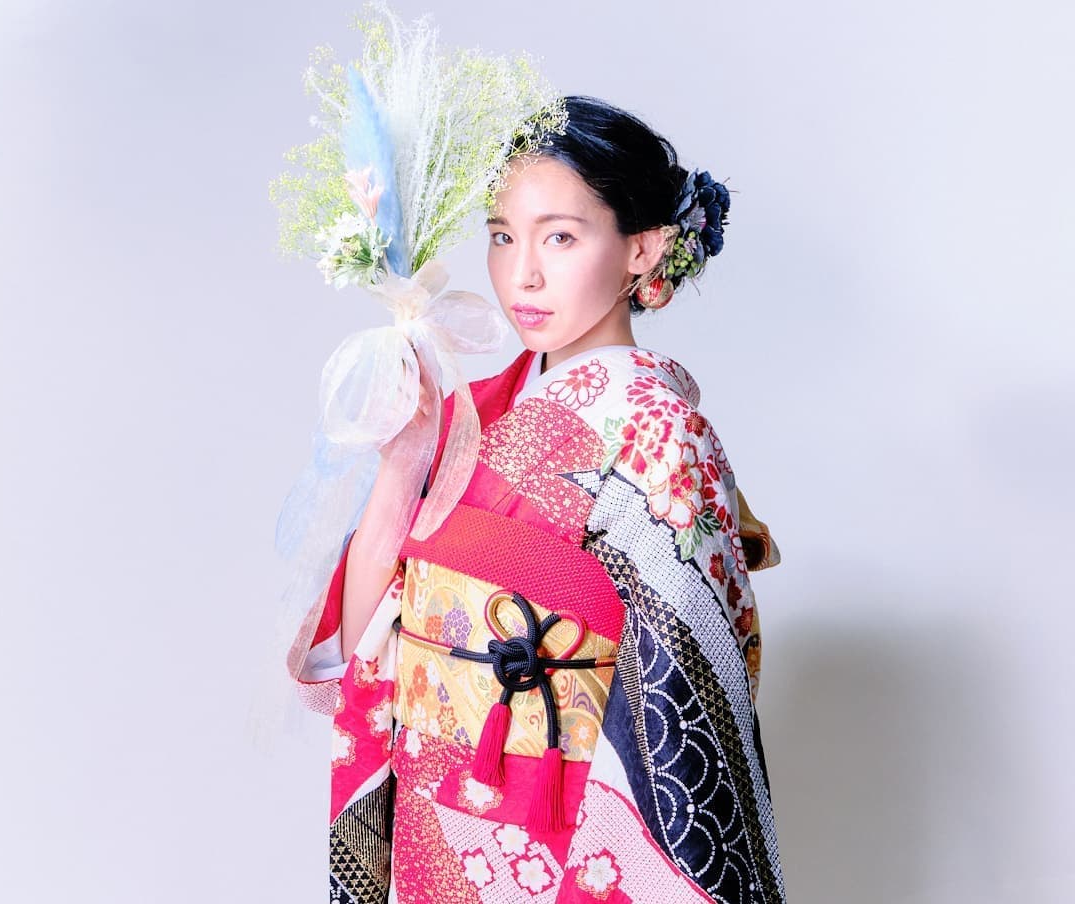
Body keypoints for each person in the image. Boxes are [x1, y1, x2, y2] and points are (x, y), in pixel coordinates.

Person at [289, 95, 786, 903]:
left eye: (559, 237)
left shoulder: (664, 435)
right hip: (432, 819)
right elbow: (366, 647)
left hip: (561, 835)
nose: (522, 274)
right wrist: (402, 464)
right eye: (501, 236)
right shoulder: (472, 413)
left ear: (642, 249)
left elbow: (685, 703)